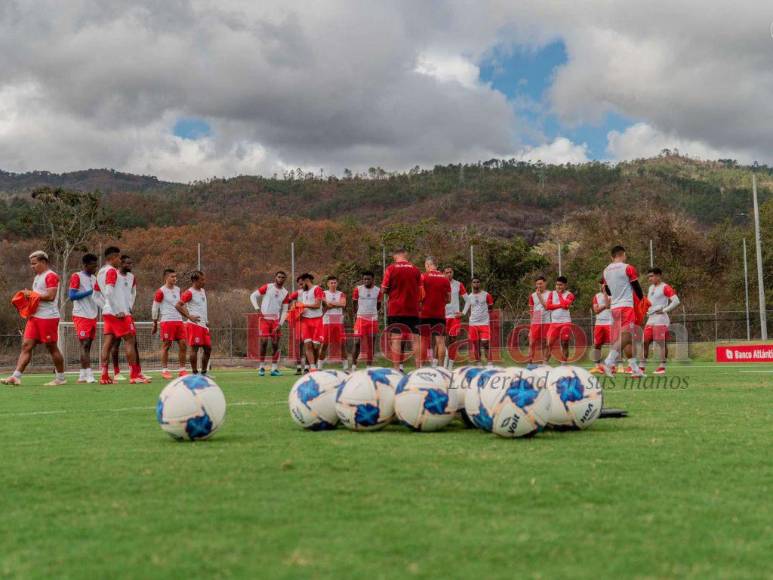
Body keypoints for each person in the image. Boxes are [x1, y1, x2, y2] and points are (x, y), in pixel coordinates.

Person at [1, 251, 66, 386]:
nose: (32, 266)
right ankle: (16, 376)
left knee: (51, 347)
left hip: (48, 317)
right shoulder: (38, 277)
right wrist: (27, 298)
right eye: (31, 264)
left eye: (34, 263)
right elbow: (37, 296)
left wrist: (30, 294)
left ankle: (60, 378)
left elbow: (50, 296)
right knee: (26, 346)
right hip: (35, 317)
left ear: (43, 262)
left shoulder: (51, 276)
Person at [97, 247, 150, 384]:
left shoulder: (100, 272)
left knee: (108, 343)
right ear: (114, 257)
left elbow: (95, 295)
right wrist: (116, 310)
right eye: (119, 258)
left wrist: (106, 307)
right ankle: (134, 375)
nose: (120, 261)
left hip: (108, 313)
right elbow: (109, 292)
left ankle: (104, 375)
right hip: (119, 313)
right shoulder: (111, 271)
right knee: (130, 341)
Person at [601, 245, 645, 378]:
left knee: (628, 339)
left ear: (612, 256)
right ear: (623, 255)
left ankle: (635, 369)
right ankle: (609, 361)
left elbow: (608, 291)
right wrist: (642, 299)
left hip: (614, 308)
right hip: (626, 306)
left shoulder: (606, 270)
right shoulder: (627, 267)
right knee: (626, 336)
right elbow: (636, 286)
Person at [381, 248, 422, 372]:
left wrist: (391, 291)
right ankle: (418, 369)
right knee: (415, 339)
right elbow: (421, 291)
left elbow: (383, 289)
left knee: (396, 339)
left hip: (396, 309)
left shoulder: (390, 269)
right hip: (413, 309)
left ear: (396, 255)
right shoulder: (415, 269)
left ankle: (396, 369)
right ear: (405, 255)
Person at [68, 253, 101, 383]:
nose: (95, 268)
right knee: (84, 344)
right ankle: (89, 374)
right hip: (81, 315)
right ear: (85, 265)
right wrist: (90, 291)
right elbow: (72, 296)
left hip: (92, 315)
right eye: (93, 266)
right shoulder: (77, 276)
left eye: (96, 265)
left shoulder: (94, 278)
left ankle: (82, 375)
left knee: (88, 346)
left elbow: (97, 296)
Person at [250, 271, 289, 377]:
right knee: (263, 343)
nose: (280, 279)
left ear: (285, 279)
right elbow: (253, 296)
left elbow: (285, 310)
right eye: (279, 277)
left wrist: (280, 324)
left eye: (283, 277)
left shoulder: (285, 293)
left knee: (275, 344)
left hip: (276, 321)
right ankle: (261, 367)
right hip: (264, 319)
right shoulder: (268, 287)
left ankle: (274, 369)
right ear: (275, 277)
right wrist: (257, 309)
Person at [643, 268, 680, 375]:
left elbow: (676, 301)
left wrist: (664, 310)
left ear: (659, 276)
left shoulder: (665, 287)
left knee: (661, 343)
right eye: (649, 277)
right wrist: (646, 310)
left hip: (661, 319)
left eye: (652, 276)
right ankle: (641, 367)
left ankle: (662, 367)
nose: (650, 279)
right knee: (645, 342)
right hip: (651, 318)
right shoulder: (651, 288)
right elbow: (650, 303)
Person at [152, 269, 187, 379]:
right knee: (166, 346)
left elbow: (181, 305)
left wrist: (187, 315)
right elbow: (155, 307)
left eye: (175, 276)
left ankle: (182, 369)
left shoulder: (178, 289)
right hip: (167, 321)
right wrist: (155, 322)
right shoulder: (161, 291)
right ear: (166, 278)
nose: (175, 278)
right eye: (172, 276)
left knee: (183, 344)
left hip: (179, 321)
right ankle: (165, 370)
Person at [177, 271, 211, 375]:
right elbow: (178, 305)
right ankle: (195, 373)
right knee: (194, 349)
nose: (204, 282)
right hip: (194, 325)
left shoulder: (203, 291)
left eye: (204, 279)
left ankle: (204, 373)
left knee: (208, 349)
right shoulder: (189, 292)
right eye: (202, 280)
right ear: (195, 281)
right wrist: (189, 316)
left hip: (203, 325)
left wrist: (206, 320)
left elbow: (202, 307)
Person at [108, 255, 136, 382]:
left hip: (126, 313)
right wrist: (115, 310)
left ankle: (134, 372)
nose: (130, 265)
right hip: (115, 313)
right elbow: (108, 293)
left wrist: (130, 306)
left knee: (131, 341)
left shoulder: (131, 277)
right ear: (121, 264)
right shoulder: (114, 275)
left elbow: (133, 292)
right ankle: (116, 372)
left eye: (131, 263)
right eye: (127, 263)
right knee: (114, 343)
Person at [419, 257, 451, 367]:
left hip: (425, 313)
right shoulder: (445, 279)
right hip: (440, 315)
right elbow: (449, 299)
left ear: (428, 265)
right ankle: (441, 367)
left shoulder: (423, 276)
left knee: (423, 341)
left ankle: (421, 367)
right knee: (440, 341)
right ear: (436, 265)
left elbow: (419, 297)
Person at [351, 271, 381, 371]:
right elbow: (354, 304)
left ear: (373, 279)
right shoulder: (358, 289)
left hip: (373, 320)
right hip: (360, 319)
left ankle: (369, 367)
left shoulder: (378, 290)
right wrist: (357, 314)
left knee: (371, 343)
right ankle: (353, 366)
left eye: (368, 279)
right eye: (364, 279)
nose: (366, 281)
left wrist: (371, 313)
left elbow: (378, 306)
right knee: (357, 342)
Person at [462, 277, 494, 366]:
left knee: (485, 343)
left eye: (478, 282)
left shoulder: (486, 295)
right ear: (471, 284)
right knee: (476, 345)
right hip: (473, 324)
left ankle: (490, 363)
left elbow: (491, 306)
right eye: (474, 282)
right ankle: (478, 362)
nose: (476, 283)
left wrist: (485, 316)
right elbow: (467, 310)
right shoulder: (469, 297)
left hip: (484, 323)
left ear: (480, 284)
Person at [319, 276, 348, 371]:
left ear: (337, 283)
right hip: (327, 321)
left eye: (335, 282)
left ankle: (346, 366)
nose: (333, 284)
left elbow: (343, 304)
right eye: (331, 283)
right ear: (328, 284)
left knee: (342, 344)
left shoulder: (341, 294)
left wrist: (331, 303)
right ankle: (319, 366)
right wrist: (335, 303)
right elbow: (325, 306)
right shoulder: (324, 293)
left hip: (338, 321)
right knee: (324, 344)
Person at [297, 273, 325, 371]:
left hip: (317, 320)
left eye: (301, 283)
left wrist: (303, 305)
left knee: (316, 347)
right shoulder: (304, 292)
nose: (300, 286)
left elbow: (317, 305)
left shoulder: (317, 289)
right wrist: (297, 313)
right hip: (305, 321)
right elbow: (304, 307)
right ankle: (312, 368)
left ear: (307, 281)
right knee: (307, 344)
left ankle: (314, 365)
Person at [546, 276, 576, 363]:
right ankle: (545, 364)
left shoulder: (570, 295)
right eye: (557, 285)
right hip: (554, 323)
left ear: (565, 285)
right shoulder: (551, 294)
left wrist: (559, 295)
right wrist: (560, 305)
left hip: (565, 322)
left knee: (564, 343)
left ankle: (564, 364)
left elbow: (566, 306)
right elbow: (548, 306)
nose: (558, 287)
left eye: (560, 285)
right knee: (549, 344)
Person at [443, 266, 466, 369]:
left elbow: (468, 300)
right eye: (446, 272)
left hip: (455, 317)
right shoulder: (440, 283)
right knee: (442, 342)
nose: (449, 274)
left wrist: (463, 312)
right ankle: (443, 365)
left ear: (453, 273)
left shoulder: (458, 284)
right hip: (443, 317)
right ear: (443, 273)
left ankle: (450, 367)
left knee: (453, 341)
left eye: (450, 272)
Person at [590, 279, 613, 374]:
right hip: (599, 324)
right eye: (601, 284)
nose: (602, 286)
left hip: (610, 323)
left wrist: (605, 294)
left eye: (604, 284)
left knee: (614, 344)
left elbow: (608, 306)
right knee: (597, 344)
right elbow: (596, 310)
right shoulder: (596, 296)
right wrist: (605, 306)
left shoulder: (613, 295)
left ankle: (613, 365)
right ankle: (597, 366)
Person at [527, 276, 551, 367]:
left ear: (545, 283)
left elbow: (548, 306)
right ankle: (530, 363)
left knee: (545, 343)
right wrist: (531, 324)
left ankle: (545, 363)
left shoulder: (551, 294)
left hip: (547, 320)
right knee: (531, 342)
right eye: (537, 284)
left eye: (541, 283)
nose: (539, 285)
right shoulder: (532, 295)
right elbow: (531, 310)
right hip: (536, 319)